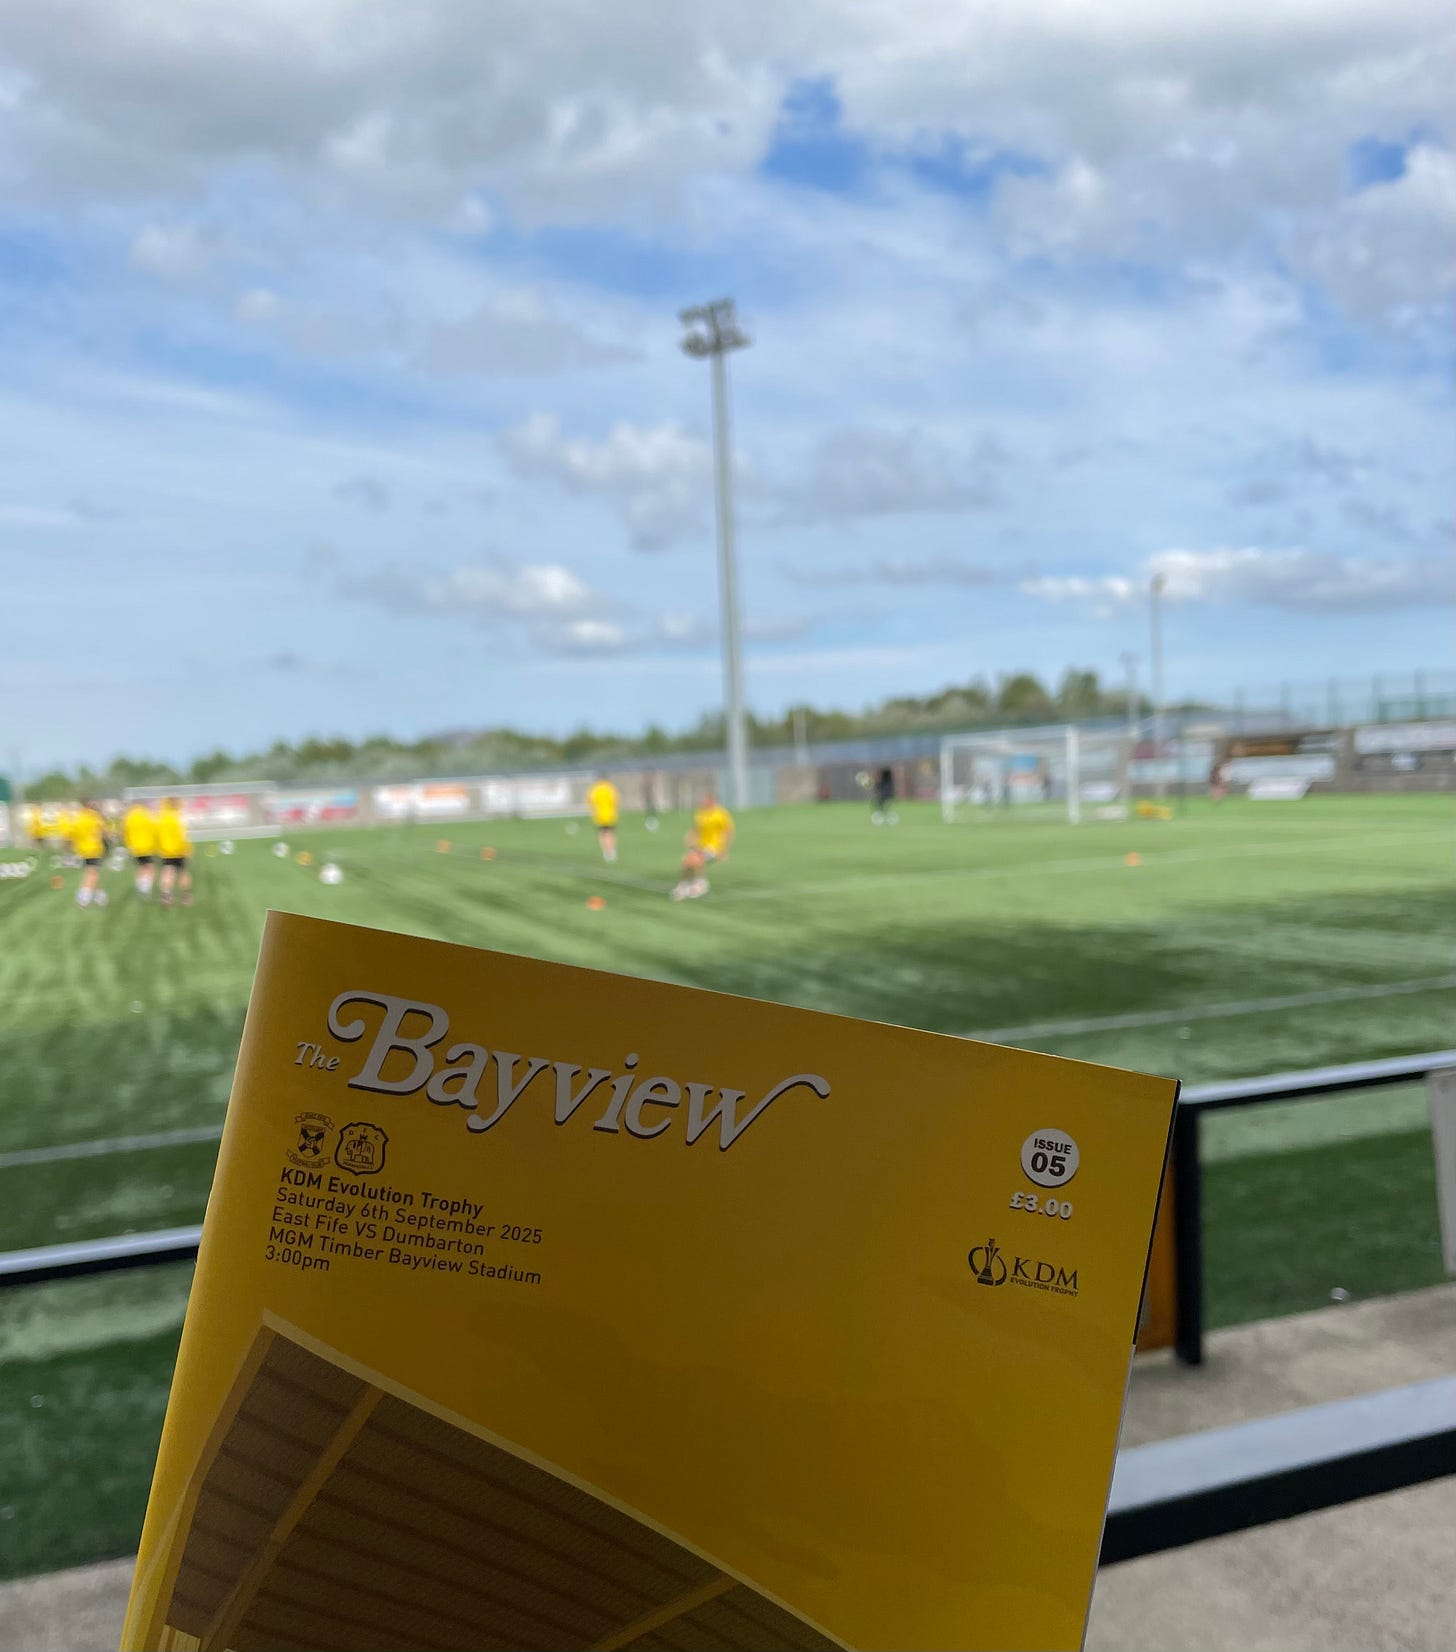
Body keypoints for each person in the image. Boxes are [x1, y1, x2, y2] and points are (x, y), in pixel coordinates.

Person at [155, 796, 194, 907]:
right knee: (183, 873)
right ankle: (186, 897)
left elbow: (157, 835)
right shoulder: (178, 817)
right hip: (180, 851)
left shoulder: (160, 818)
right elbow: (183, 836)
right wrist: (188, 849)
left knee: (167, 872)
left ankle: (166, 896)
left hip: (166, 851)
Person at [71, 799, 110, 909]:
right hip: (94, 849)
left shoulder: (78, 818)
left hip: (82, 850)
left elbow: (73, 834)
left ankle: (101, 897)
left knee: (91, 872)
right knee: (92, 873)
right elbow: (103, 832)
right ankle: (83, 898)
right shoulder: (95, 817)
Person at [123, 798, 159, 898]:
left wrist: (129, 845)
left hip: (135, 847)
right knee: (150, 867)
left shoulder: (129, 817)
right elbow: (154, 830)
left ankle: (140, 885)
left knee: (141, 867)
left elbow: (126, 833)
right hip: (147, 846)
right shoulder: (147, 815)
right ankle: (146, 888)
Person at [692, 791, 734, 864]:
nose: (703, 802)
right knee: (688, 861)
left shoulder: (720, 814)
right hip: (701, 847)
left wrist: (724, 850)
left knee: (694, 861)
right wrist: (691, 838)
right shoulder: (701, 813)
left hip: (714, 847)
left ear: (712, 801)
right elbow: (697, 830)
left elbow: (729, 831)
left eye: (706, 800)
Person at [586, 774, 620, 864]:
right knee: (611, 833)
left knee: (602, 834)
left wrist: (593, 811)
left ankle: (606, 852)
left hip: (599, 816)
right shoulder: (610, 788)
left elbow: (590, 800)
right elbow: (616, 801)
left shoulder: (595, 788)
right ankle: (612, 851)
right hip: (610, 815)